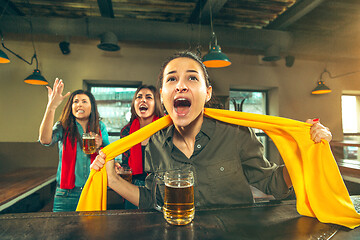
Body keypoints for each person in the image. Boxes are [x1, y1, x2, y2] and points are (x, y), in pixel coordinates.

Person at [90, 51, 332, 209]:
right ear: (162, 96)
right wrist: (112, 180)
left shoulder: (236, 133)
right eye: (171, 79)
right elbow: (156, 200)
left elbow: (274, 185)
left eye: (192, 79)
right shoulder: (155, 142)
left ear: (207, 93)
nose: (181, 86)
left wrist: (304, 153)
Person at [39, 78, 110, 212]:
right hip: (66, 194)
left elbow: (109, 155)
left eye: (84, 101)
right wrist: (51, 107)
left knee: (93, 232)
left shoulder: (100, 126)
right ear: (71, 107)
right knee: (62, 232)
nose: (79, 105)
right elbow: (45, 140)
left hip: (93, 191)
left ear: (92, 106)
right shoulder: (62, 126)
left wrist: (101, 144)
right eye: (75, 102)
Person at [117, 84, 164, 209]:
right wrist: (119, 169)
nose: (143, 100)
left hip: (159, 188)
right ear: (134, 103)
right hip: (133, 188)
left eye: (149, 97)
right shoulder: (126, 131)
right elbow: (126, 163)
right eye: (139, 97)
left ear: (157, 103)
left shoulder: (165, 129)